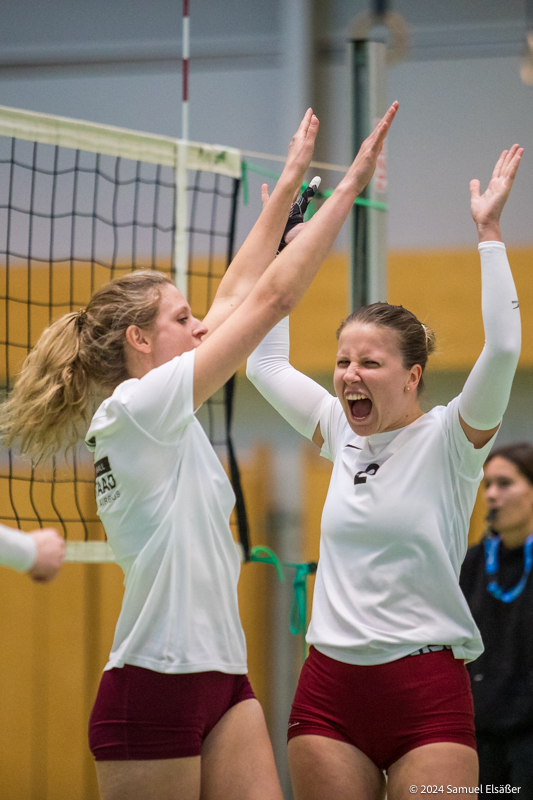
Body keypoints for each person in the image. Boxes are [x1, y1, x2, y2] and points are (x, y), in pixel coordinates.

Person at [0, 102, 398, 800]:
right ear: (139, 340)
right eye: (183, 318)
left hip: (224, 677)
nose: (201, 325)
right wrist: (349, 189)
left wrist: (288, 183)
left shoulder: (163, 406)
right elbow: (270, 302)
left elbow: (240, 293)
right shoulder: (135, 409)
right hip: (152, 682)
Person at [246, 144, 523, 799]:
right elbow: (263, 364)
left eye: (369, 363)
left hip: (426, 692)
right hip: (328, 691)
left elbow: (504, 347)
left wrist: (488, 233)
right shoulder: (338, 429)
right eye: (343, 362)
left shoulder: (452, 438)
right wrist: (284, 248)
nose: (349, 375)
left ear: (412, 375)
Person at [460, 443, 533, 798]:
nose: (491, 495)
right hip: (481, 734)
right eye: (487, 484)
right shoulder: (473, 563)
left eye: (505, 484)